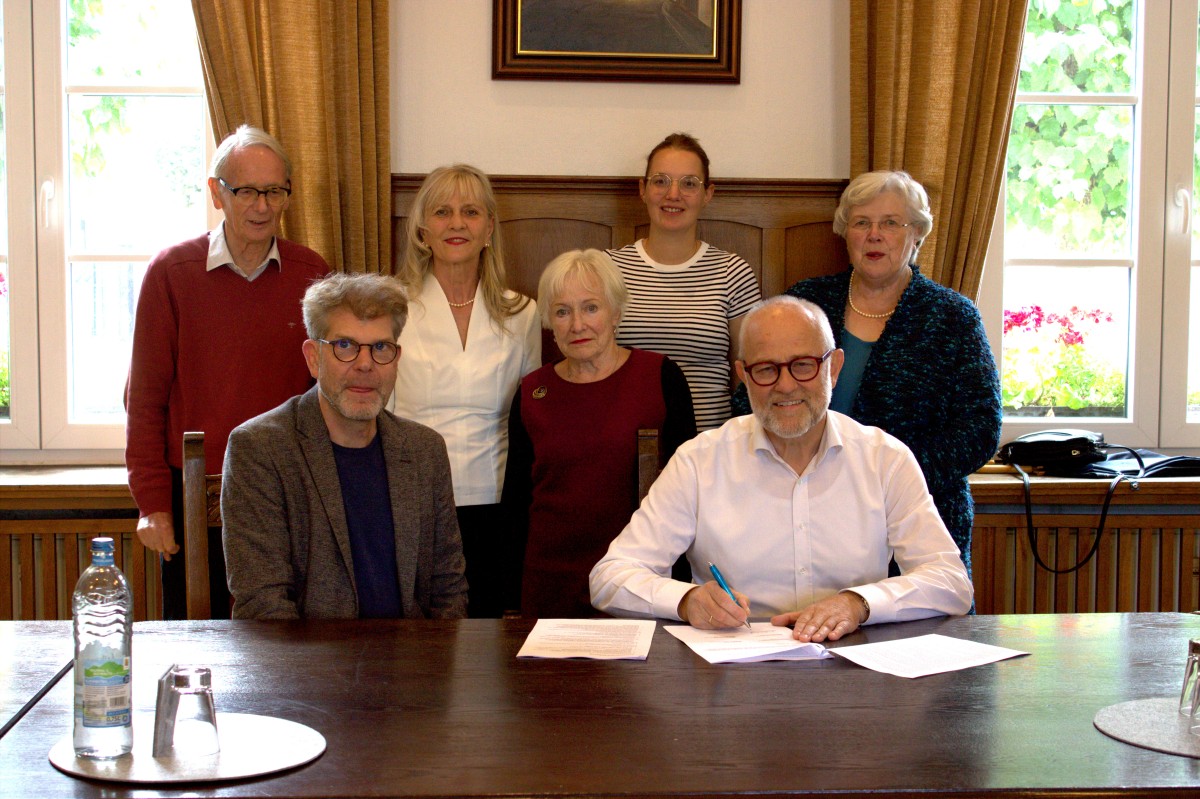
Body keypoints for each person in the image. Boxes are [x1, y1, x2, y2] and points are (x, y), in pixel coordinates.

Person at [590, 296, 973, 642]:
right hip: (730, 678)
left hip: (853, 674)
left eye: (803, 366)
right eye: (766, 370)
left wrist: (859, 604)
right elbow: (610, 578)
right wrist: (687, 600)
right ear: (743, 376)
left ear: (833, 368)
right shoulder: (700, 460)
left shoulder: (884, 458)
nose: (786, 386)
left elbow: (950, 582)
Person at [731, 170, 1001, 578]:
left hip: (917, 516)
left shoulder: (952, 316)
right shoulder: (807, 301)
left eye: (891, 223)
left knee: (910, 635)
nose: (875, 235)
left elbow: (980, 428)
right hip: (799, 509)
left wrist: (889, 480)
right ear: (846, 233)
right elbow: (750, 395)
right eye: (862, 223)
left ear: (916, 235)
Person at [125, 124, 330, 619]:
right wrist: (153, 504)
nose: (262, 206)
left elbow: (327, 393)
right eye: (246, 191)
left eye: (274, 191)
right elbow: (145, 398)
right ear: (217, 192)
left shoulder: (313, 273)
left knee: (285, 646)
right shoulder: (172, 272)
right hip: (194, 490)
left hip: (290, 490)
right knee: (200, 640)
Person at [222, 272, 468, 620]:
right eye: (345, 346)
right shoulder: (261, 449)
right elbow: (264, 605)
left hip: (413, 665)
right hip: (308, 670)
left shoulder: (424, 450)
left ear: (396, 359)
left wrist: (428, 669)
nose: (365, 364)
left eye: (381, 347)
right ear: (313, 357)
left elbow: (449, 593)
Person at [502, 249, 696, 618]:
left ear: (615, 312)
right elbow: (516, 504)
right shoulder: (532, 392)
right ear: (549, 322)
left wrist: (683, 586)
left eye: (591, 307)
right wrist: (509, 599)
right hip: (549, 586)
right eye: (562, 311)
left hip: (639, 584)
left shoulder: (660, 377)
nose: (577, 325)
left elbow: (690, 495)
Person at [391, 164, 540, 618]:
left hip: (494, 503)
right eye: (442, 212)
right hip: (412, 503)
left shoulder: (522, 313)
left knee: (487, 649)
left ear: (489, 227)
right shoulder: (391, 306)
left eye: (471, 211)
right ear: (421, 230)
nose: (457, 223)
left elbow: (530, 419)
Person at [607, 132, 760, 432]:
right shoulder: (609, 269)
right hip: (624, 443)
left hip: (709, 450)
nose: (673, 194)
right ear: (643, 189)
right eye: (661, 180)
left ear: (708, 194)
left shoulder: (733, 272)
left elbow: (747, 377)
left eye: (689, 183)